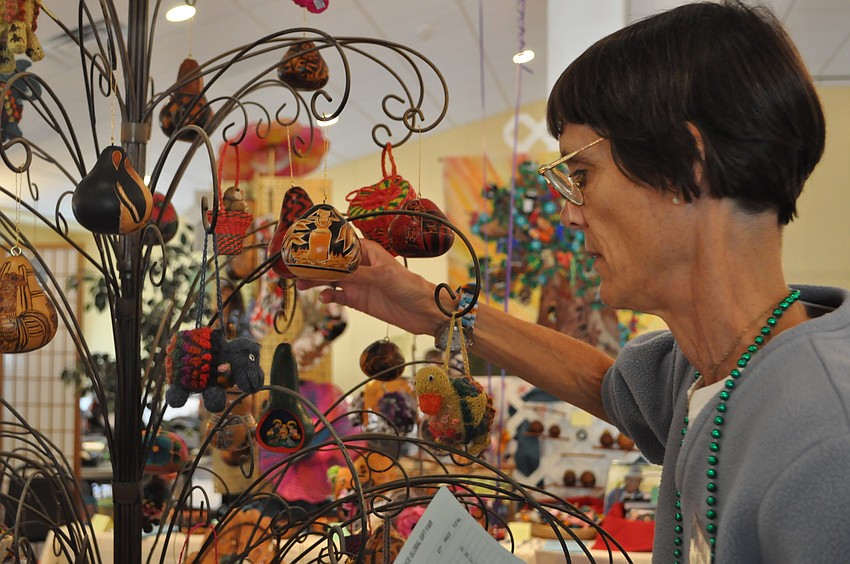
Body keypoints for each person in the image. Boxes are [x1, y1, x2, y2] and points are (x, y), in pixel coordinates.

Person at [299, 2, 850, 562]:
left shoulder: (824, 443)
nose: (570, 214)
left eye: (580, 174)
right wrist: (437, 312)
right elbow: (608, 386)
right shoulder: (709, 367)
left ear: (689, 164)